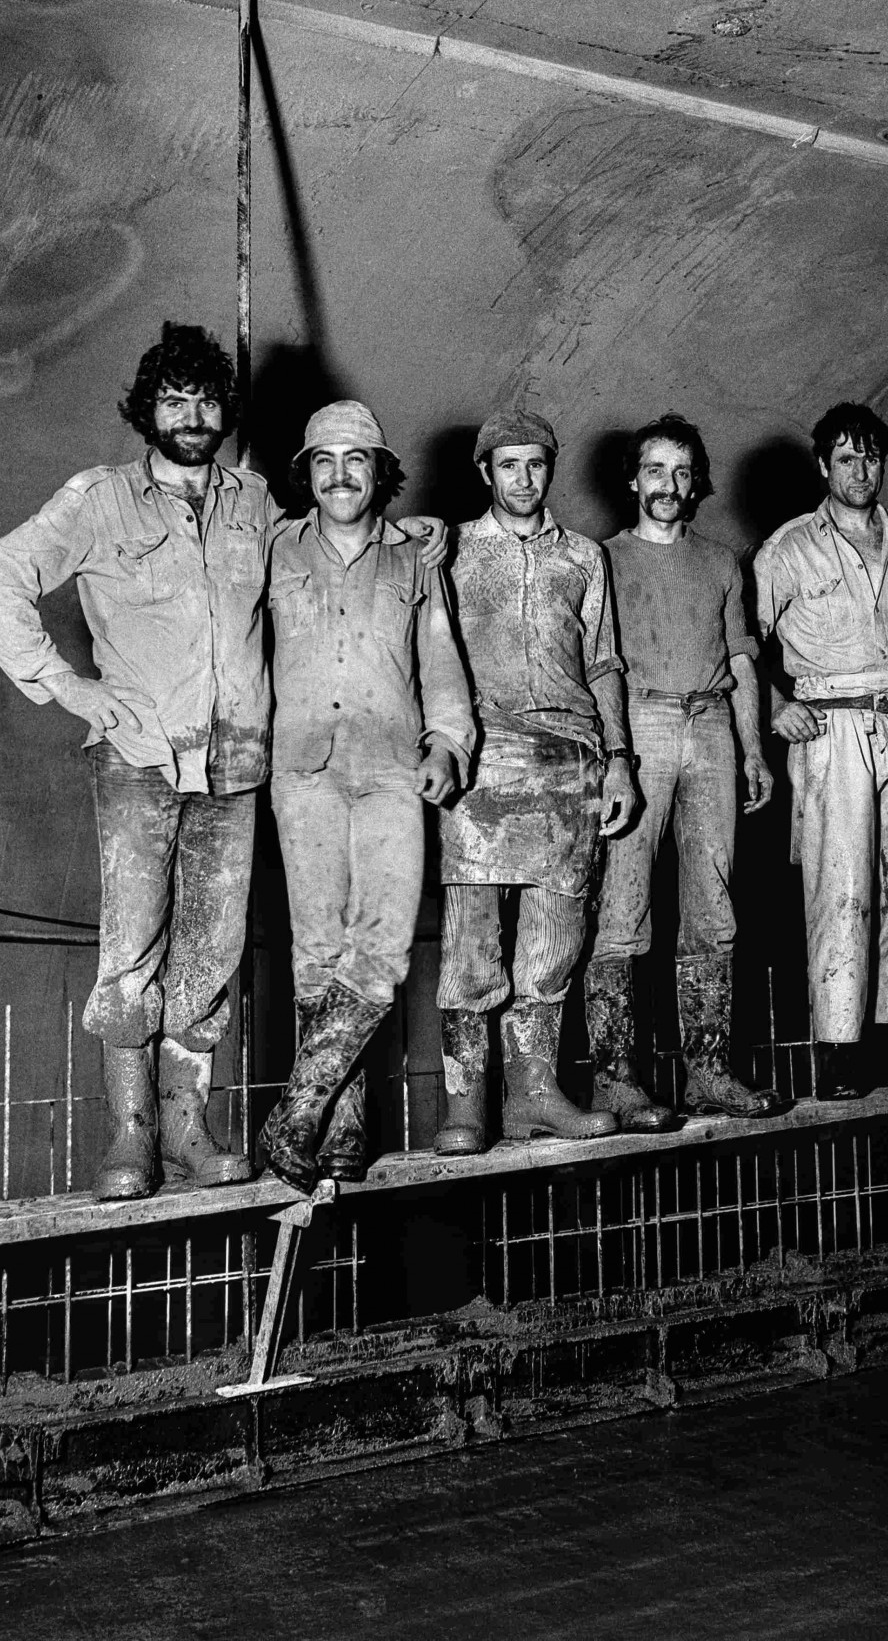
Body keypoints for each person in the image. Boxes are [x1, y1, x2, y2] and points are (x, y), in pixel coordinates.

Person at [0, 322, 271, 1200]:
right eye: (175, 399)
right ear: (147, 410)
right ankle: (131, 1136)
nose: (193, 414)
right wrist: (69, 688)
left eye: (207, 399)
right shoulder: (100, 500)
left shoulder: (252, 502)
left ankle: (188, 1129)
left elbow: (314, 579)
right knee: (132, 949)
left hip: (236, 763)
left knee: (211, 954)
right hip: (137, 761)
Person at [257, 402, 475, 1192]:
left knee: (380, 945)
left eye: (357, 460)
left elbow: (443, 662)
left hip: (389, 770)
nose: (340, 474)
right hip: (303, 769)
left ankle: (298, 1110)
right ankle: (343, 1122)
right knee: (315, 947)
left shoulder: (415, 562)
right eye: (324, 461)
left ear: (381, 473)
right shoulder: (274, 548)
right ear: (305, 476)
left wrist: (447, 743)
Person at [752, 401, 888, 1100]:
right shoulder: (786, 548)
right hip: (832, 727)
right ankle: (840, 1050)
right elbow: (740, 649)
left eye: (871, 456)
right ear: (823, 466)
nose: (861, 470)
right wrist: (774, 705)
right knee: (840, 887)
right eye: (846, 458)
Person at [433, 410, 638, 1153]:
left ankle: (535, 1095)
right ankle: (464, 1106)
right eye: (508, 464)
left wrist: (618, 756)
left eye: (537, 464)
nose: (524, 478)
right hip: (482, 757)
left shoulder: (582, 555)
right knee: (470, 943)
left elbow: (605, 661)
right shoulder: (449, 550)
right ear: (484, 472)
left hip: (568, 758)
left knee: (555, 938)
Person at [583, 417, 789, 1127]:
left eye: (680, 472)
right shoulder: (599, 560)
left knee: (713, 905)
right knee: (620, 908)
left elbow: (740, 661)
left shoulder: (721, 562)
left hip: (710, 727)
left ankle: (708, 1072)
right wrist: (612, 754)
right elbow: (596, 665)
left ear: (695, 481)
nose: (667, 485)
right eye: (654, 470)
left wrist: (754, 750)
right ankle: (616, 1081)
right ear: (631, 479)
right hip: (638, 724)